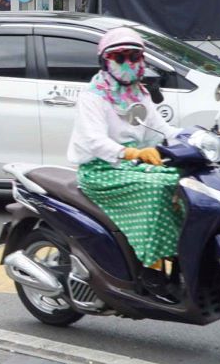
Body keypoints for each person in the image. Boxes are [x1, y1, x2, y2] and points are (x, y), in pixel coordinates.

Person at [68, 27, 182, 297]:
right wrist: (131, 153)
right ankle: (149, 268)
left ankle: (179, 256)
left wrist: (200, 136)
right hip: (101, 169)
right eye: (120, 58)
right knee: (156, 190)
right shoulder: (93, 97)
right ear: (105, 62)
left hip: (134, 165)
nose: (129, 64)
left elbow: (162, 129)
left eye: (134, 57)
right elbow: (94, 141)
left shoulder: (140, 94)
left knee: (184, 183)